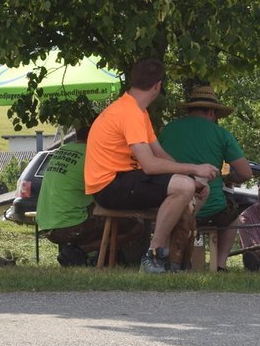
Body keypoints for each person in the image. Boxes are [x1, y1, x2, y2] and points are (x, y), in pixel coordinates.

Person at [84, 57, 220, 273]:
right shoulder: (130, 113)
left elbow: (160, 154)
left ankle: (173, 258)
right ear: (158, 85)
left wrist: (193, 178)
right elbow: (149, 165)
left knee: (197, 188)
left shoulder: (138, 110)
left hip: (125, 179)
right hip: (109, 186)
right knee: (184, 187)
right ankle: (154, 255)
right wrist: (194, 170)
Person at [157, 84, 253, 270]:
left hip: (169, 205)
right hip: (209, 207)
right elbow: (246, 173)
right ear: (211, 112)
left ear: (189, 110)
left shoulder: (167, 130)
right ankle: (220, 264)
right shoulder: (221, 134)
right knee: (233, 214)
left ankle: (164, 256)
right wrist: (228, 178)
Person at [39, 125, 146, 267]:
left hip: (46, 224)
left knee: (104, 216)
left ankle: (101, 256)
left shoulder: (63, 150)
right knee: (136, 225)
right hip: (69, 226)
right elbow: (110, 193)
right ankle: (79, 251)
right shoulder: (94, 155)